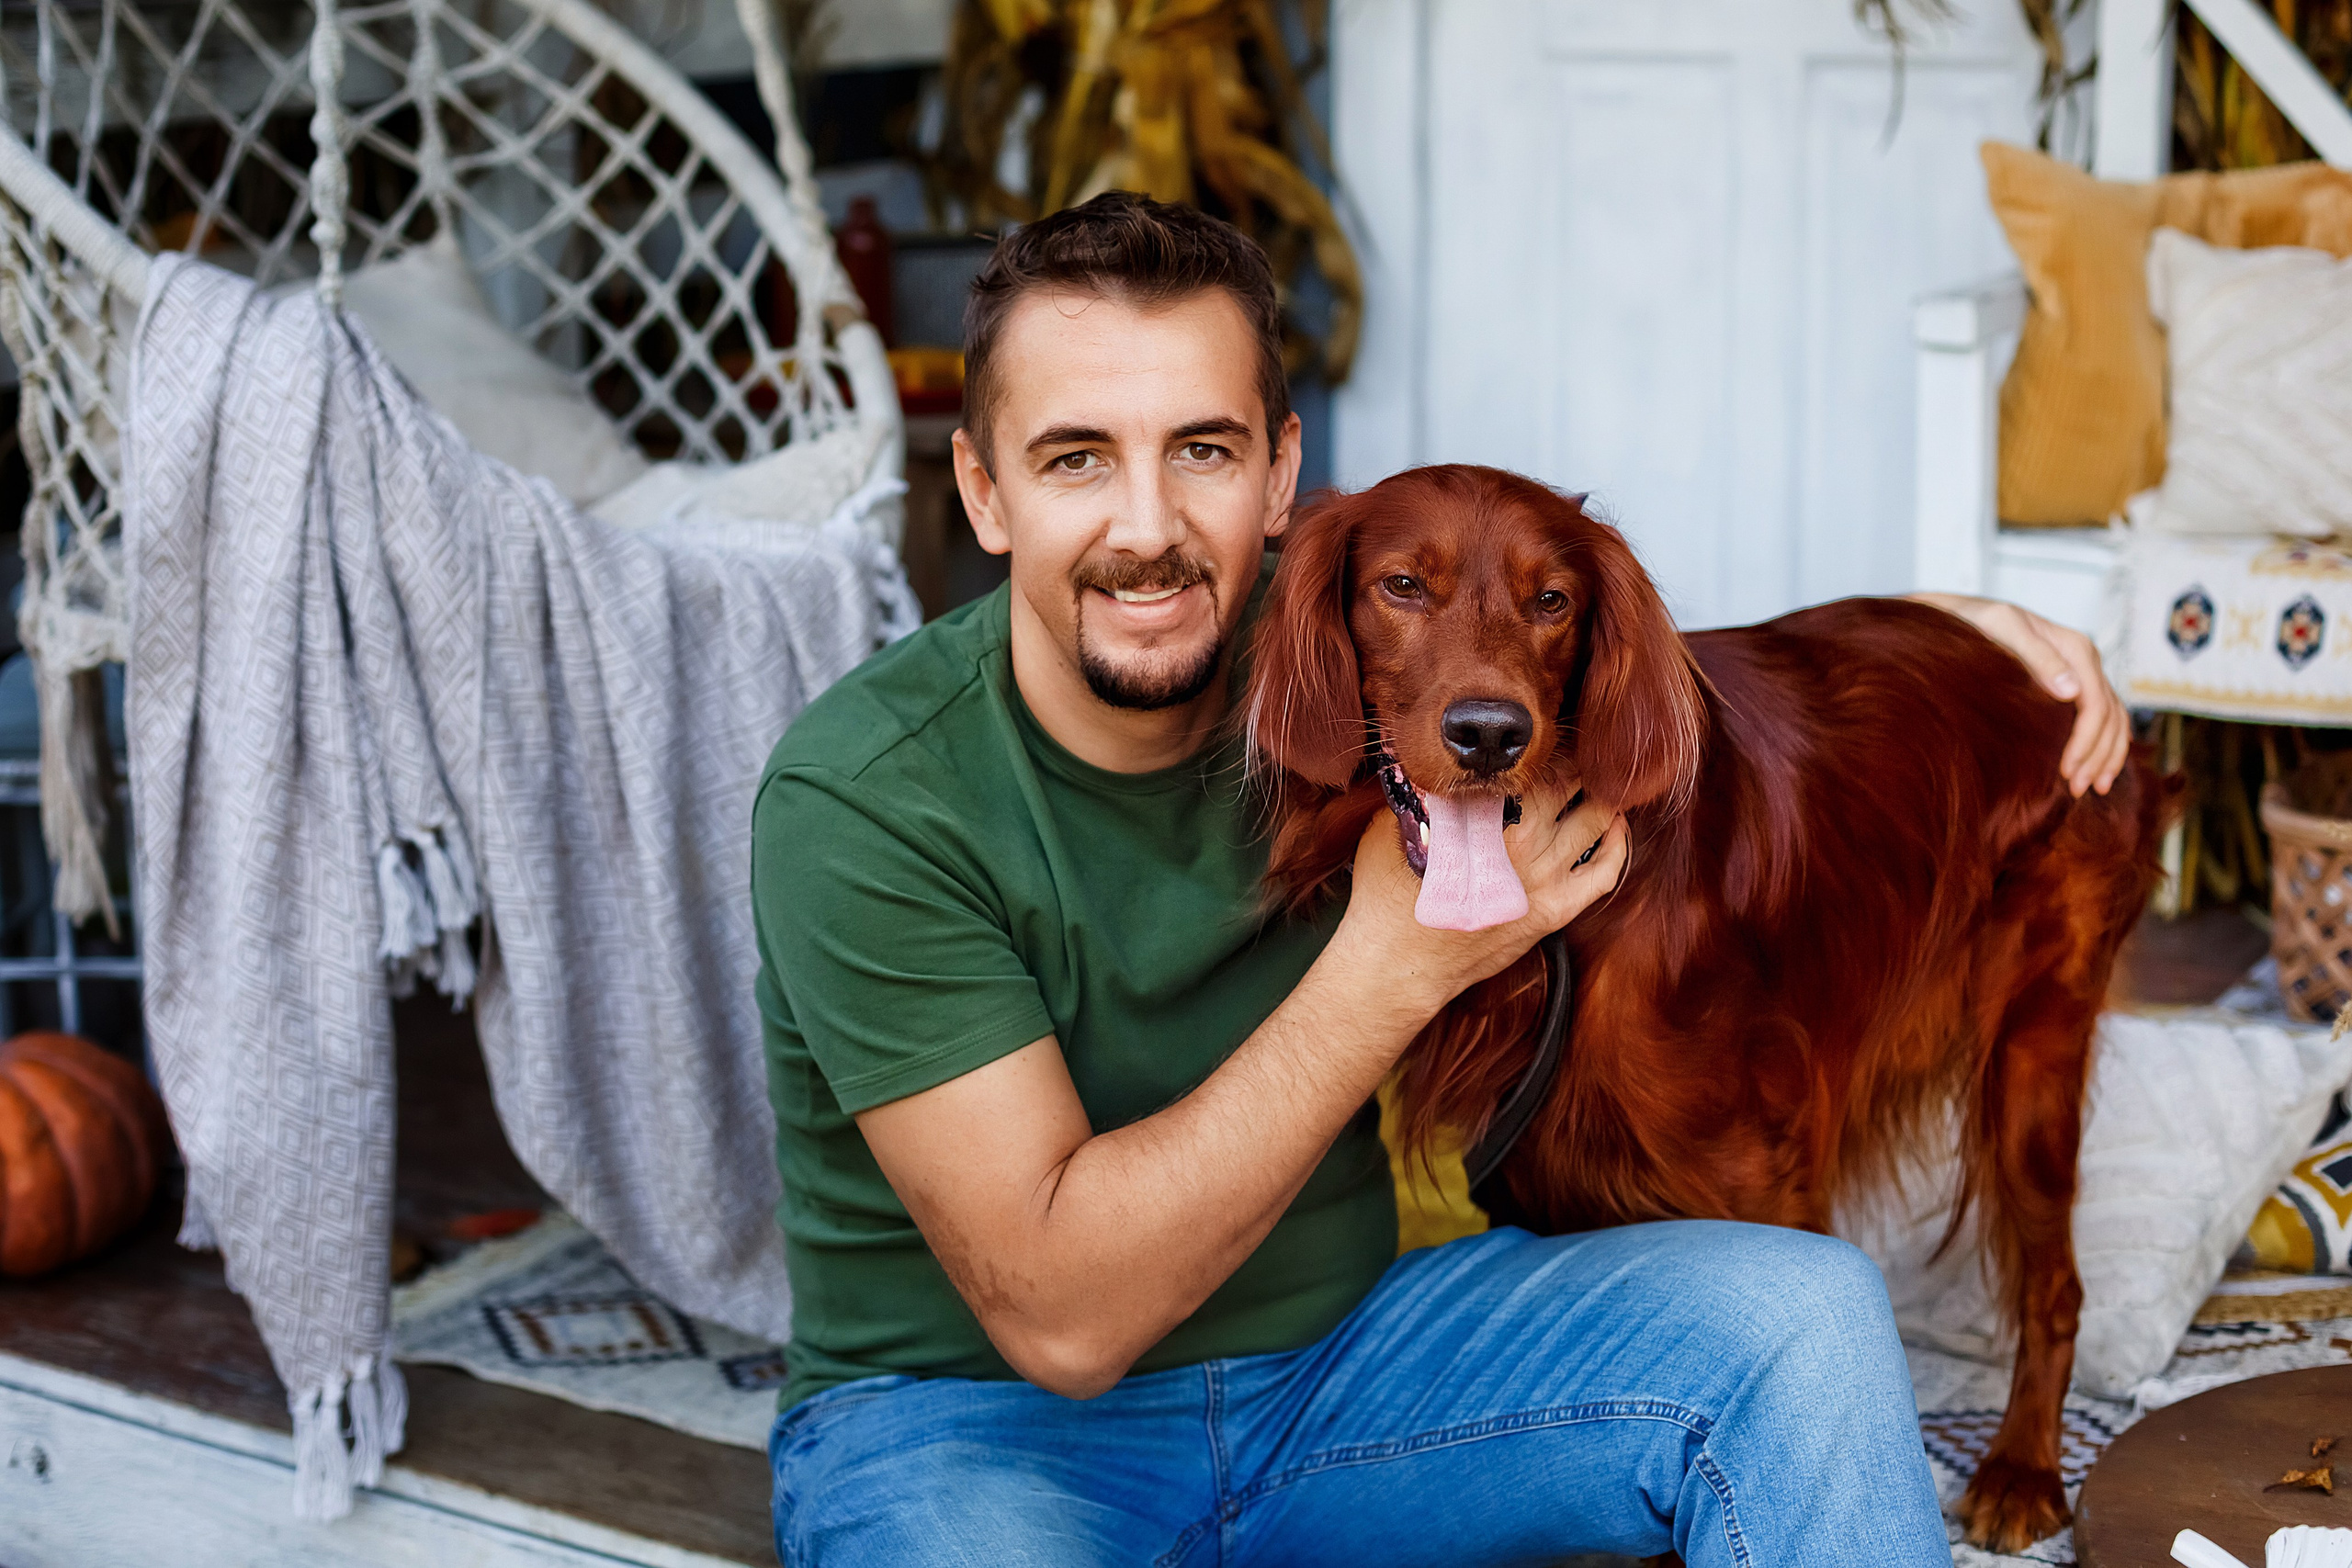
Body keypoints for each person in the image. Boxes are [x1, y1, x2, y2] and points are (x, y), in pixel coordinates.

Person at [750, 192, 2130, 1567]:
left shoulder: (1342, 627)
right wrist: (1397, 961)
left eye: (1204, 450)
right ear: (982, 491)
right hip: (968, 1437)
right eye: (1075, 460)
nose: (1150, 527)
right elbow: (1064, 1321)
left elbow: (1575, 644)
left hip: (1354, 1371)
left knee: (1809, 1313)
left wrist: (1968, 626)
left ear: (1282, 480)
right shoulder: (866, 799)